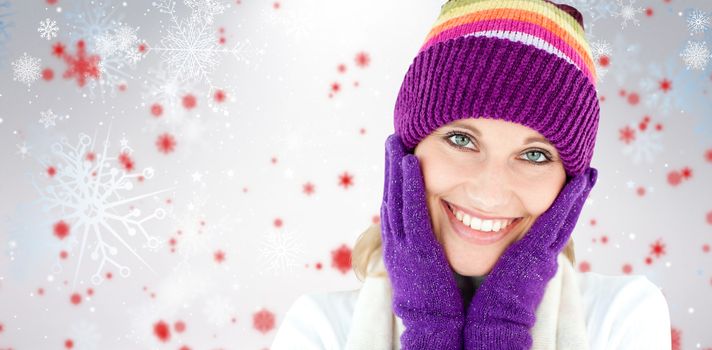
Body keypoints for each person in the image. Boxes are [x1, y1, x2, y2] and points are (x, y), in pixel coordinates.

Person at [271, 0, 672, 349]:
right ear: (404, 157)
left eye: (534, 155)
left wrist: (503, 328)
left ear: (570, 191)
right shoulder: (319, 329)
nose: (490, 192)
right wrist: (429, 328)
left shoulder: (622, 317)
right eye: (461, 140)